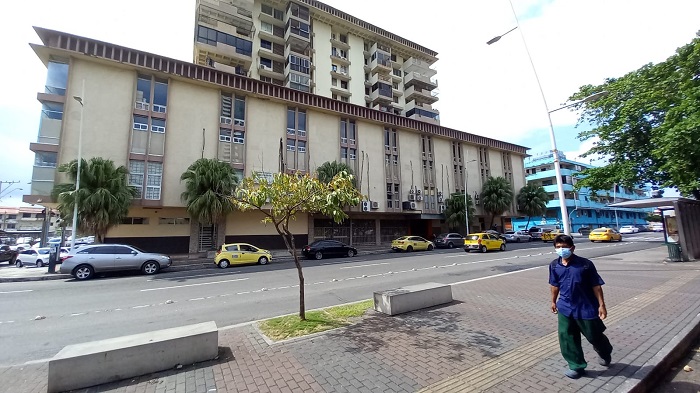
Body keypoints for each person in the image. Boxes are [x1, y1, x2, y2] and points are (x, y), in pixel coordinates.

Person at [548, 234, 613, 379]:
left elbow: (596, 286)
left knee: (594, 335)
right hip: (565, 307)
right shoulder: (554, 265)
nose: (561, 250)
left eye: (564, 247)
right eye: (558, 247)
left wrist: (602, 305)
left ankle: (605, 350)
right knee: (566, 337)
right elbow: (554, 285)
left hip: (586, 307)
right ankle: (576, 366)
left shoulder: (585, 264)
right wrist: (553, 301)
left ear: (572, 248)